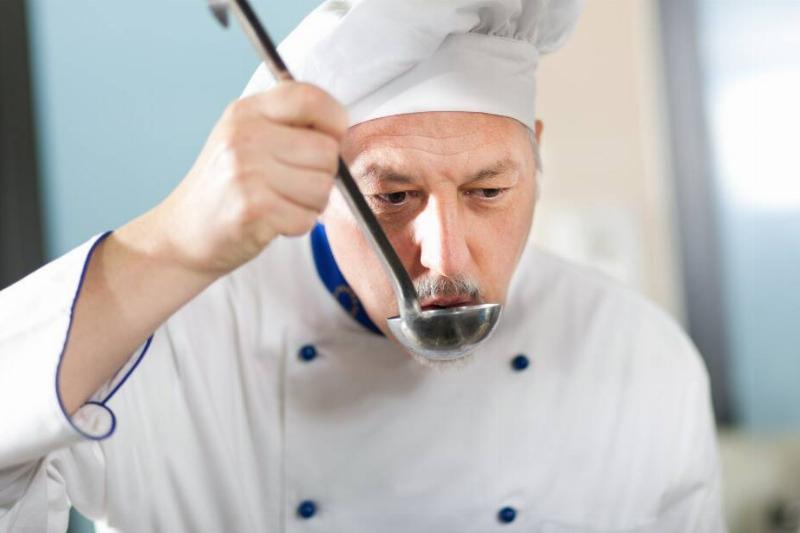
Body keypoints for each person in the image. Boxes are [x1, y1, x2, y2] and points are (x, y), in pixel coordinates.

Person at [0, 0, 725, 531]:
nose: (445, 256)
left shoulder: (644, 361)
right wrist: (170, 241)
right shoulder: (174, 348)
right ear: (318, 181)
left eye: (489, 191)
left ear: (536, 152)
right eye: (393, 195)